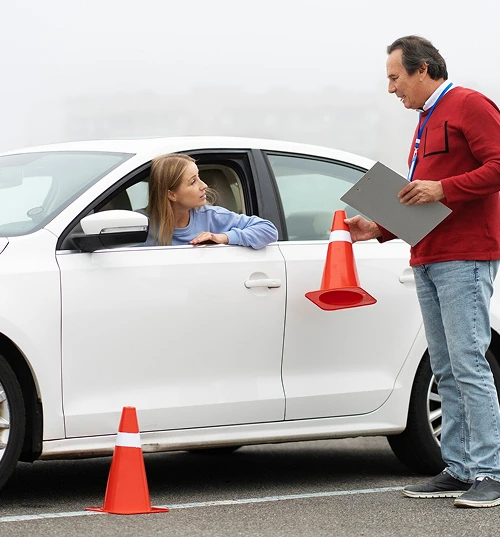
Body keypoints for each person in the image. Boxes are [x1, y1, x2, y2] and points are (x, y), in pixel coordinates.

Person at [345, 35, 500, 508]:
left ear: (423, 69)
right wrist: (379, 228)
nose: (391, 88)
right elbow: (423, 202)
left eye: (395, 78)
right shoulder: (425, 120)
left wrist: (442, 188)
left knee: (470, 363)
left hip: (465, 256)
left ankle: (491, 473)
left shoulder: (468, 104)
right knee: (448, 367)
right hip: (429, 256)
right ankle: (458, 468)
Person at [138, 153, 278, 249]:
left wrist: (222, 238)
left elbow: (269, 230)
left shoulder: (212, 216)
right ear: (172, 195)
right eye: (193, 181)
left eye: (199, 177)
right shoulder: (139, 225)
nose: (204, 185)